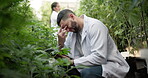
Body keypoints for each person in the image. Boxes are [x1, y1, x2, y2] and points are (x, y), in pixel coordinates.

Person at [57, 9, 129, 78]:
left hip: (108, 64)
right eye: (64, 28)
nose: (67, 30)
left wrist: (73, 62)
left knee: (88, 73)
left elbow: (100, 58)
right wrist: (60, 42)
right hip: (88, 64)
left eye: (67, 26)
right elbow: (67, 55)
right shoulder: (72, 32)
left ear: (72, 16)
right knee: (62, 68)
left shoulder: (95, 26)